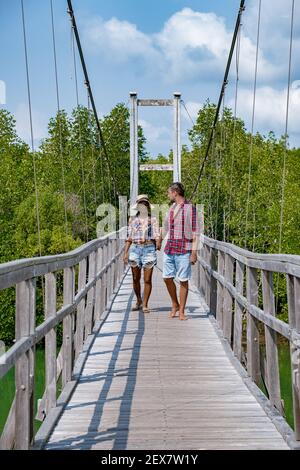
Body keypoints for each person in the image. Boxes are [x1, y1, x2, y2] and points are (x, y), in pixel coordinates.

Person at [162, 182, 199, 321]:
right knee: (166, 278)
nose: (168, 194)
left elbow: (196, 231)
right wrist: (159, 240)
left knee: (183, 280)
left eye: (169, 192)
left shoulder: (190, 209)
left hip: (184, 249)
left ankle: (181, 311)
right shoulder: (171, 208)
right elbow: (165, 226)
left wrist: (194, 252)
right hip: (169, 248)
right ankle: (174, 304)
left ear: (175, 192)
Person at [123, 194, 161, 313]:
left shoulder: (153, 219)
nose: (143, 206)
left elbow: (157, 235)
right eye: (141, 204)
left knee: (147, 279)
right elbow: (129, 237)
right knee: (135, 278)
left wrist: (158, 242)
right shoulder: (132, 220)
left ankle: (145, 304)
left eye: (145, 204)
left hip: (149, 248)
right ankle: (138, 300)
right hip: (135, 248)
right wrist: (125, 253)